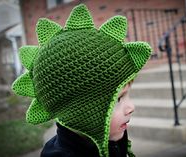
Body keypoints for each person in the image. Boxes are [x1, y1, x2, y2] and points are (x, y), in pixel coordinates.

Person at [11, 4, 152, 157]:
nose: (131, 106)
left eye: (127, 95)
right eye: (118, 99)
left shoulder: (110, 140)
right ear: (81, 112)